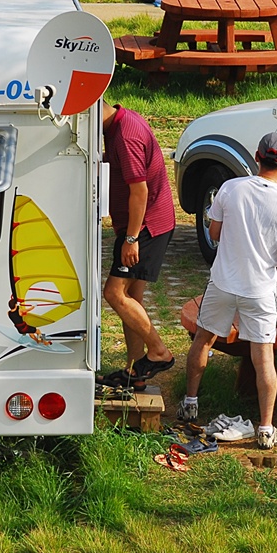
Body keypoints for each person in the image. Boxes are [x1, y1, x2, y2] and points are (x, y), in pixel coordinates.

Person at [179, 132, 277, 450]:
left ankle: (190, 402)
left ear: (256, 156)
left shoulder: (230, 188)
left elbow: (214, 232)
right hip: (260, 289)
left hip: (223, 282)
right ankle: (265, 428)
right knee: (264, 357)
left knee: (204, 338)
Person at [98, 101, 177, 387]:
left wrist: (131, 239)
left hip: (145, 225)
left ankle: (158, 352)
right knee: (131, 298)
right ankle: (135, 372)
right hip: (141, 222)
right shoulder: (119, 123)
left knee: (115, 294)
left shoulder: (125, 136)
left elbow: (139, 190)